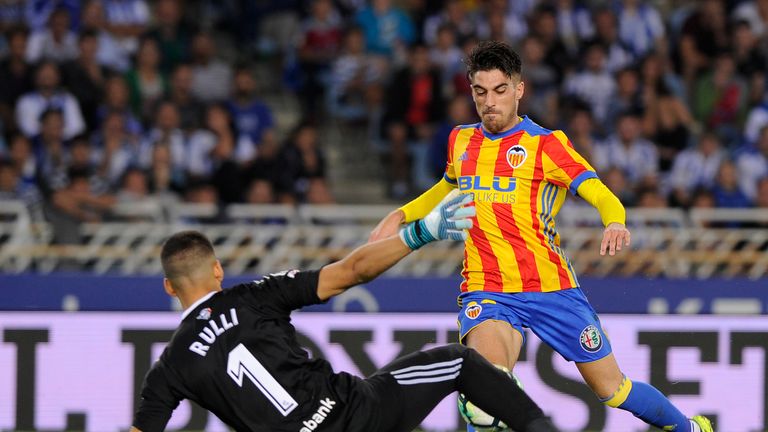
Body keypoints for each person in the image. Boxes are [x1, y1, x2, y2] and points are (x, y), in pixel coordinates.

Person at [369, 40, 713, 432]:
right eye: (480, 92)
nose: (489, 102)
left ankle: (689, 428)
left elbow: (598, 191)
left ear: (519, 89)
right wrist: (400, 214)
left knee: (613, 390)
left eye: (500, 90)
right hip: (487, 288)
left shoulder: (547, 145)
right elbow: (446, 187)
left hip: (551, 287)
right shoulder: (461, 141)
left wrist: (614, 220)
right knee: (483, 390)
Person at [129, 194, 559, 432]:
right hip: (351, 417)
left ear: (169, 286)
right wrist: (422, 231)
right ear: (217, 268)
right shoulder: (256, 295)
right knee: (458, 361)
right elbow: (352, 271)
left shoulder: (171, 367)